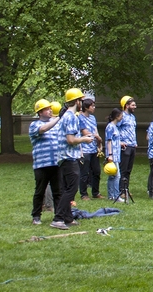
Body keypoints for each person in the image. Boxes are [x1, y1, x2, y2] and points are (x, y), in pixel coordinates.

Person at [52, 88, 93, 230]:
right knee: (72, 189)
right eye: (81, 100)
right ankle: (58, 218)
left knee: (67, 188)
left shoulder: (67, 116)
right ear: (77, 101)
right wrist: (84, 139)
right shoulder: (70, 117)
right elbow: (70, 139)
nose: (82, 102)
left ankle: (68, 218)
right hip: (68, 157)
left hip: (66, 157)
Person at [29, 99, 62, 224]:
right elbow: (43, 129)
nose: (50, 110)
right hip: (41, 164)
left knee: (58, 192)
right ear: (40, 112)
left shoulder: (55, 124)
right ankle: (36, 216)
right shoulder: (34, 125)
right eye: (47, 109)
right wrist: (58, 118)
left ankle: (59, 216)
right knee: (40, 191)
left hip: (56, 163)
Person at [78, 98, 103, 200]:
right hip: (84, 149)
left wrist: (99, 141)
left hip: (93, 149)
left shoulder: (93, 118)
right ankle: (84, 194)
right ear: (86, 107)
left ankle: (95, 192)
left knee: (96, 171)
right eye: (92, 106)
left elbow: (95, 131)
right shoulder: (80, 118)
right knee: (84, 173)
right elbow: (85, 133)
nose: (94, 108)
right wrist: (95, 136)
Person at [118, 95, 138, 196]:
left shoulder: (132, 117)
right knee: (123, 169)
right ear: (126, 105)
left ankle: (126, 189)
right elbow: (115, 129)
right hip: (124, 146)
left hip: (132, 146)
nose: (135, 107)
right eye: (133, 105)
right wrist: (119, 142)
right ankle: (121, 190)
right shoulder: (121, 116)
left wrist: (135, 142)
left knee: (129, 170)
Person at [105, 109, 123, 201]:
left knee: (112, 176)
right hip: (113, 154)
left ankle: (111, 196)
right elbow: (109, 141)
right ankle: (116, 195)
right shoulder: (110, 127)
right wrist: (110, 154)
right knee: (116, 175)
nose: (122, 117)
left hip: (117, 154)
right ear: (117, 116)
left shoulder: (115, 127)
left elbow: (115, 140)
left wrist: (121, 143)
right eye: (121, 115)